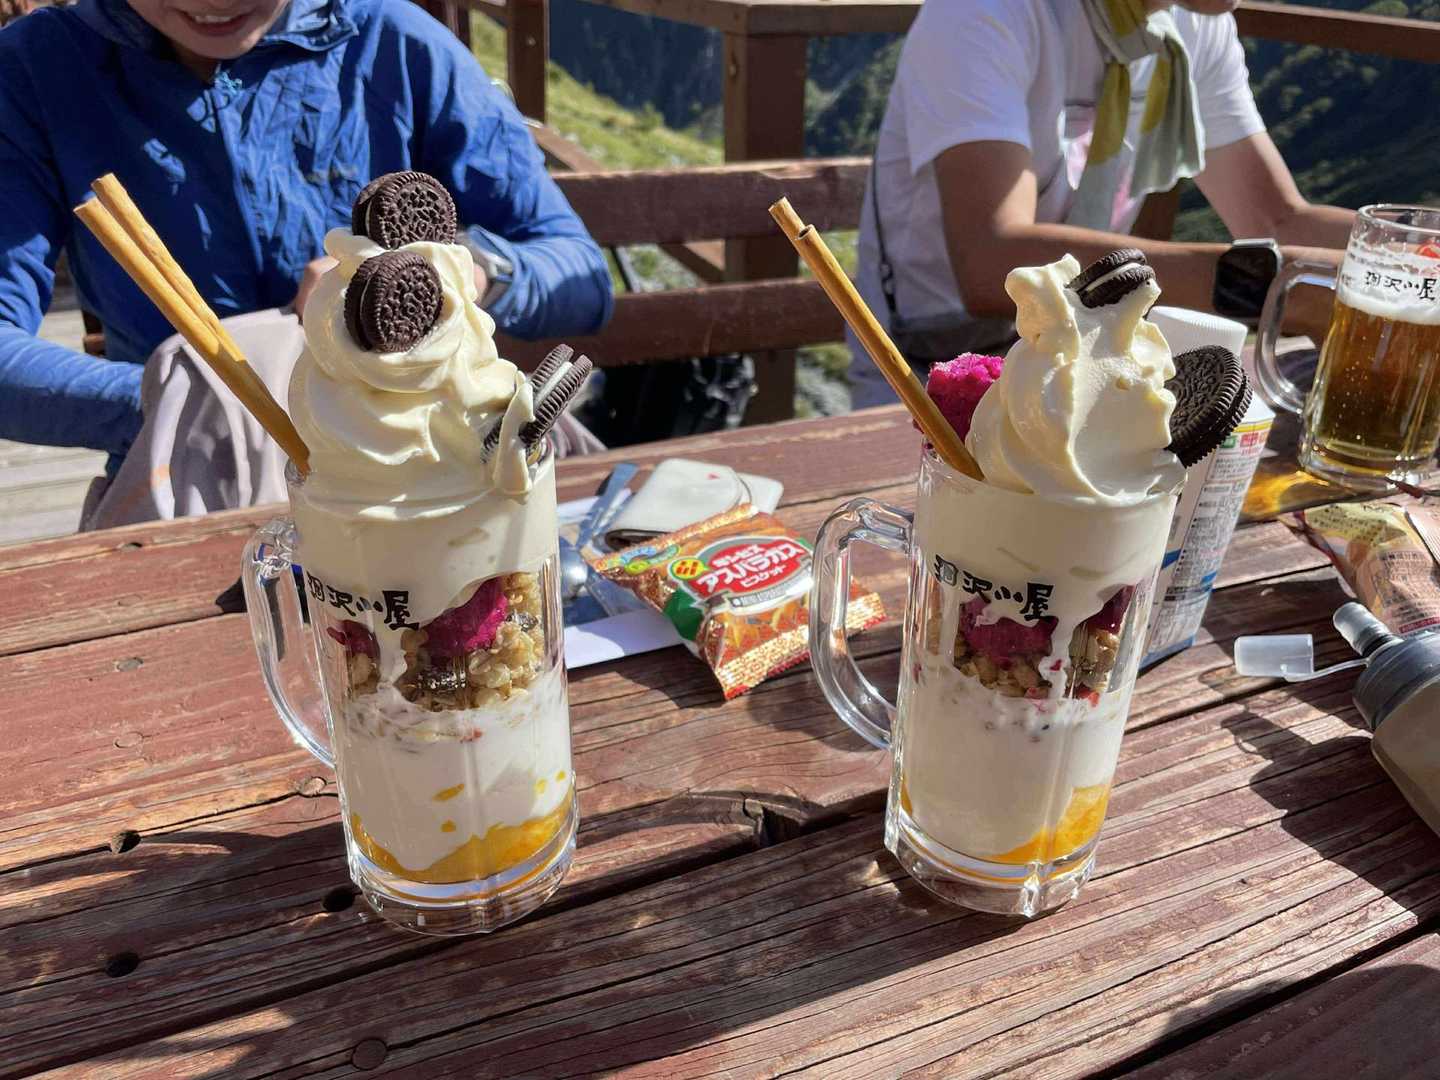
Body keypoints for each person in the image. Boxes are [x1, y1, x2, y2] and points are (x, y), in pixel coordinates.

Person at [0, 0, 613, 470]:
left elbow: (579, 275)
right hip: (189, 477)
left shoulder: (394, 43)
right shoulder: (38, 68)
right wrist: (178, 402)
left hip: (425, 466)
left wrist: (461, 272)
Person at [853, 0, 1354, 407]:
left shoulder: (1191, 26)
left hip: (1079, 367)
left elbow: (1276, 219)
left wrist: (1390, 256)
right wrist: (1273, 288)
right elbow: (992, 261)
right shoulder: (985, 10)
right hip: (928, 381)